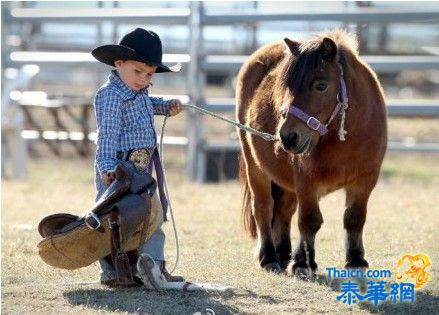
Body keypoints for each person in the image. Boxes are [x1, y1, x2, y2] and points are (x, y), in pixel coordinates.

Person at [91, 28, 184, 287]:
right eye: (138, 71)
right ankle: (112, 272)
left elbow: (147, 103)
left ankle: (153, 267)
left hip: (141, 169)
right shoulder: (109, 96)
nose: (143, 79)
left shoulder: (137, 91)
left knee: (152, 214)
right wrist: (107, 166)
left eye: (149, 75)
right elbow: (106, 135)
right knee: (114, 220)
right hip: (118, 168)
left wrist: (166, 105)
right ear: (119, 63)